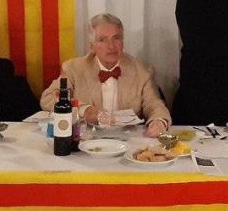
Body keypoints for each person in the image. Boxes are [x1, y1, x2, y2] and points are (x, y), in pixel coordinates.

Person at [40, 13, 170, 137]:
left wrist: (159, 121)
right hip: (85, 139)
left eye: (116, 38)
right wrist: (84, 110)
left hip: (129, 140)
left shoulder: (142, 71)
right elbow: (48, 98)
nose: (111, 46)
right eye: (102, 40)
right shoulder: (73, 69)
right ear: (92, 46)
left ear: (122, 42)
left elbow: (154, 105)